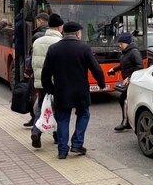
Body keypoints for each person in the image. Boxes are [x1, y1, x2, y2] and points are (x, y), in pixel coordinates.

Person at [41, 21, 105, 159]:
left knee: (63, 119)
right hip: (80, 91)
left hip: (61, 91)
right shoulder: (84, 48)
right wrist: (101, 83)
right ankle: (77, 144)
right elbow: (96, 69)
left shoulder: (53, 49)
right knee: (84, 114)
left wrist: (51, 89)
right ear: (77, 33)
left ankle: (62, 151)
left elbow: (45, 74)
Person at [29, 14, 63, 147]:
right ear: (60, 27)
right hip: (56, 83)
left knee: (42, 108)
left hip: (40, 82)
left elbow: (32, 62)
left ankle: (36, 132)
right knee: (58, 110)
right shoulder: (59, 43)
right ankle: (57, 136)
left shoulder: (37, 41)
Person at [108, 33, 143, 132]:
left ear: (127, 43)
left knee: (124, 100)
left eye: (121, 43)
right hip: (128, 81)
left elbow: (139, 67)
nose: (119, 45)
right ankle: (127, 122)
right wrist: (114, 69)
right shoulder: (125, 52)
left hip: (133, 82)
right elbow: (123, 64)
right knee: (125, 101)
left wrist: (129, 77)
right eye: (119, 43)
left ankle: (125, 122)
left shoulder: (134, 52)